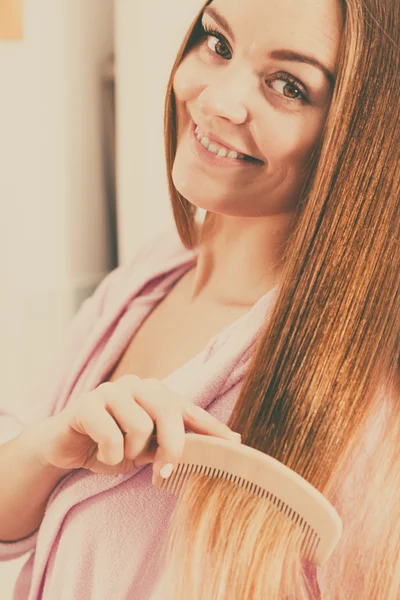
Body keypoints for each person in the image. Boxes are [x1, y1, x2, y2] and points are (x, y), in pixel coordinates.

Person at [0, 0, 398, 598]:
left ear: (363, 136)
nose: (215, 100)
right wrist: (48, 448)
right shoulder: (153, 272)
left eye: (288, 85)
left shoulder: (357, 406)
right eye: (218, 43)